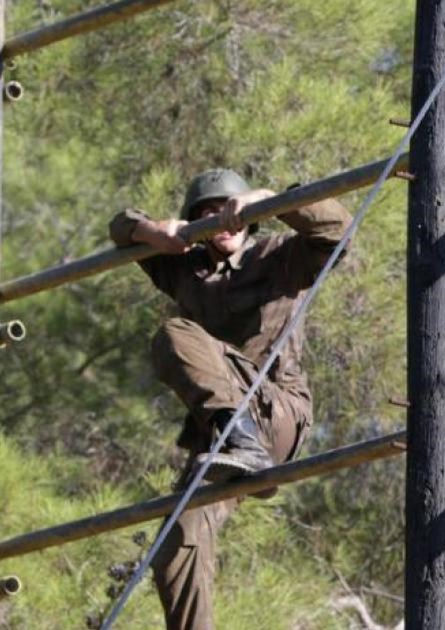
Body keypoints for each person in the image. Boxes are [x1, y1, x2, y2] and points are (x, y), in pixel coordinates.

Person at [108, 168, 352, 629]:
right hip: (221, 445)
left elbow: (337, 227)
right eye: (205, 215)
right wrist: (152, 232)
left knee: (174, 333)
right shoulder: (185, 271)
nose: (218, 221)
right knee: (179, 537)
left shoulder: (282, 256)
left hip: (275, 412)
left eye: (225, 210)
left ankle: (243, 443)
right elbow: (119, 227)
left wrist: (273, 200)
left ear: (245, 215)